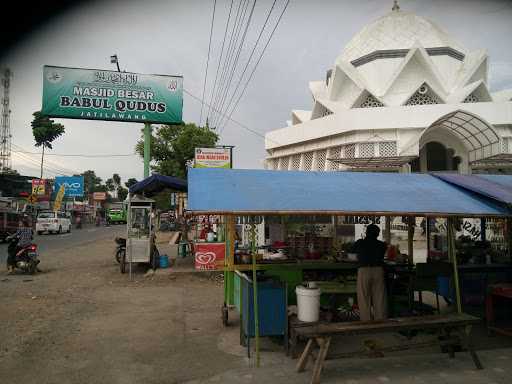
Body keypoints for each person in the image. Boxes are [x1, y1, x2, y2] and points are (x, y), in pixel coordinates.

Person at [353, 224, 388, 322]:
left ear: (366, 232)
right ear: (377, 234)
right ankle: (380, 321)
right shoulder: (382, 245)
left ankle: (366, 321)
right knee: (379, 298)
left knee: (364, 298)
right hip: (378, 271)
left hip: (364, 270)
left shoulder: (360, 243)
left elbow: (350, 250)